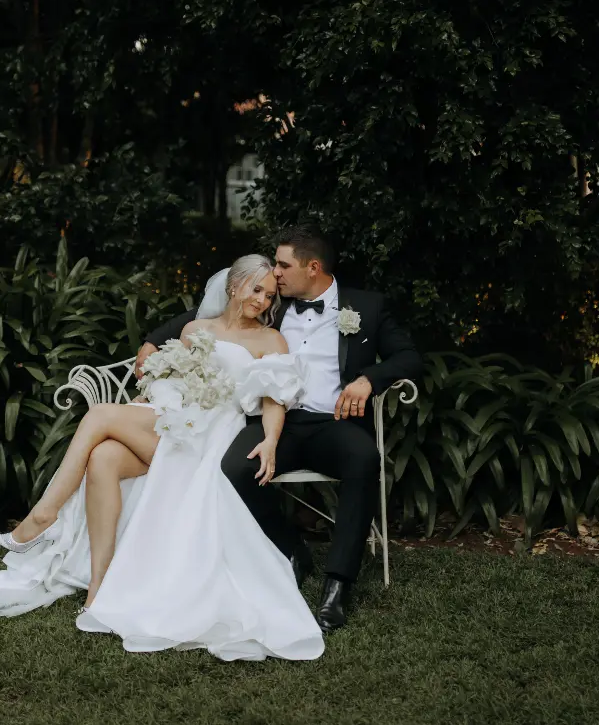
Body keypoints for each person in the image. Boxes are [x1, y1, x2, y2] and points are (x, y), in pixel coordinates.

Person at [0, 254, 324, 662]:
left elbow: (274, 398)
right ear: (233, 286)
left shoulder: (270, 340)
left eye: (270, 295)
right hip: (173, 420)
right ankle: (98, 586)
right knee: (103, 458)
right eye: (256, 289)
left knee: (100, 415)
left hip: (212, 433)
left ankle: (43, 515)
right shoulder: (194, 330)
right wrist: (146, 399)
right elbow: (169, 380)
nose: (262, 301)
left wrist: (271, 439)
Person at [138, 223, 422, 633]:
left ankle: (338, 585)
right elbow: (212, 316)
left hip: (333, 424)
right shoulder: (274, 302)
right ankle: (291, 547)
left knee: (363, 458)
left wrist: (368, 379)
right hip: (277, 420)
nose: (275, 273)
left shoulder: (367, 306)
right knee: (234, 467)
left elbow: (409, 357)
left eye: (284, 265)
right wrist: (154, 339)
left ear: (313, 267)